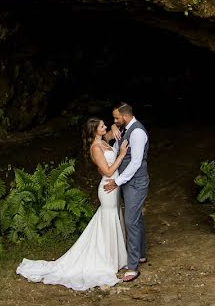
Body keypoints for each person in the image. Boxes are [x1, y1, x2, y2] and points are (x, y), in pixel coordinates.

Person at [15, 118, 129, 291]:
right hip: (107, 187)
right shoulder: (96, 148)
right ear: (95, 131)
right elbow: (107, 170)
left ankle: (115, 257)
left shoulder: (104, 141)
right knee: (107, 217)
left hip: (114, 187)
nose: (105, 127)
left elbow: (114, 129)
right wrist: (121, 154)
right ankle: (106, 259)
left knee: (113, 216)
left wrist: (113, 126)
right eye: (102, 126)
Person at [104, 102, 149, 282]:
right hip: (128, 182)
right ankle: (141, 254)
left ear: (125, 116)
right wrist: (114, 126)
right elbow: (114, 146)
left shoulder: (137, 132)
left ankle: (132, 267)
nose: (114, 121)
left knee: (130, 221)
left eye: (116, 118)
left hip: (136, 182)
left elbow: (136, 162)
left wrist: (118, 181)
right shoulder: (124, 129)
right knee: (135, 218)